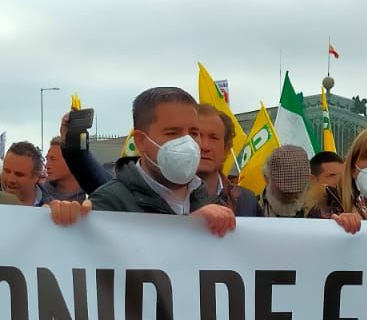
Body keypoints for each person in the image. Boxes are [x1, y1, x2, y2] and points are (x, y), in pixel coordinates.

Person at [47, 87, 234, 236]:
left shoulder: (211, 202)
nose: (188, 143)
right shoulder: (109, 205)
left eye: (194, 133)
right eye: (172, 133)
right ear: (141, 141)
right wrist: (58, 221)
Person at [195, 104, 260, 217]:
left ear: (226, 149)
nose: (204, 146)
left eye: (213, 137)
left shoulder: (247, 201)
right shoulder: (164, 198)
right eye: (197, 136)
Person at [257, 145, 324, 220]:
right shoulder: (249, 208)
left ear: (309, 180)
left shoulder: (324, 211)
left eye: (298, 186)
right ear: (266, 178)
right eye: (283, 188)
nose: (291, 195)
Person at [0, 141, 46, 205]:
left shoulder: (53, 210)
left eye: (18, 174)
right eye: (7, 171)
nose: (10, 179)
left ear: (35, 177)